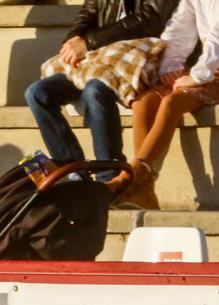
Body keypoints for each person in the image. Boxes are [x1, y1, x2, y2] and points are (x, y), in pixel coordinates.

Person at [105, 0, 219, 209]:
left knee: (172, 102)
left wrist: (198, 76)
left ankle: (130, 176)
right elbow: (178, 30)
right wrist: (171, 66)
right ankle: (144, 189)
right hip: (208, 64)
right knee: (144, 101)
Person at [23, 0, 178, 182]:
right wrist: (74, 41)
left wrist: (88, 42)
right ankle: (73, 171)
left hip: (141, 57)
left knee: (94, 90)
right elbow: (88, 14)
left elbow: (150, 20)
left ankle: (109, 176)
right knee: (37, 93)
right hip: (99, 57)